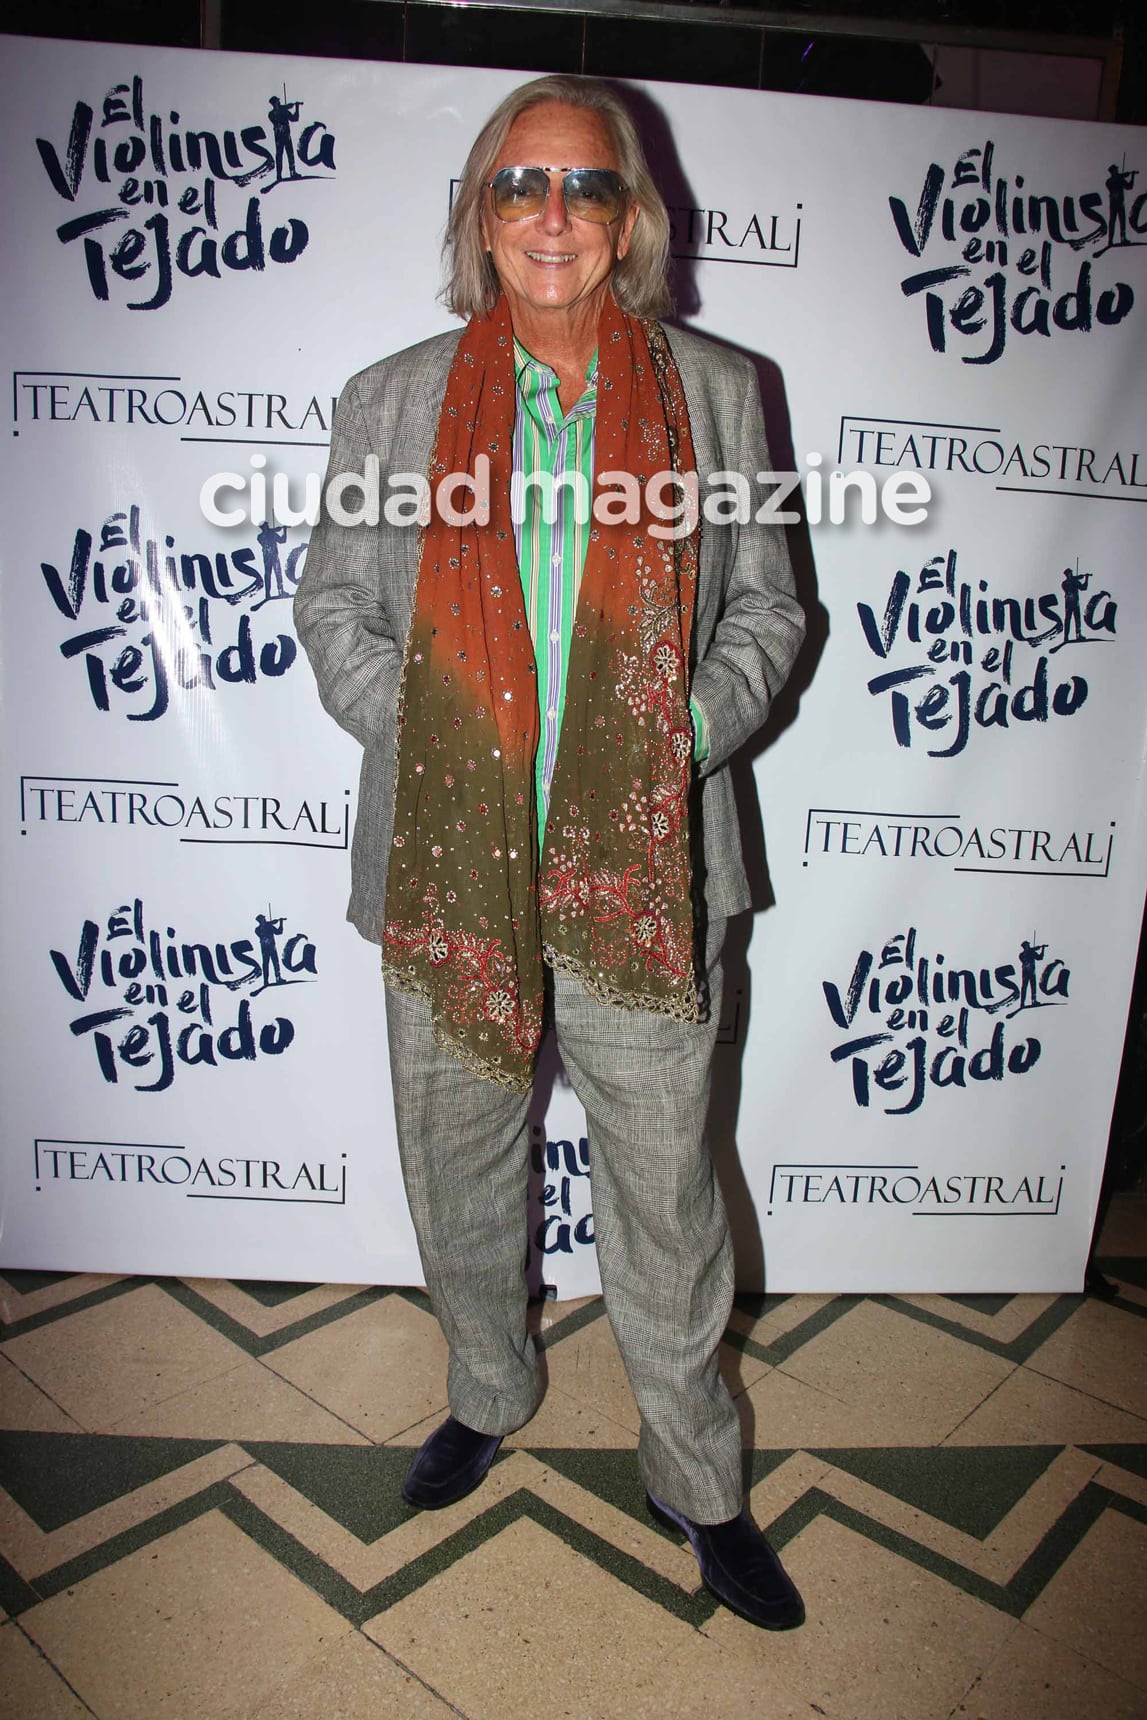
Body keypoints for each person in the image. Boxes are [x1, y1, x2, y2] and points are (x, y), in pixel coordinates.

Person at [294, 73, 807, 1630]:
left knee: (662, 1187)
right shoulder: (391, 401)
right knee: (458, 1163)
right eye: (521, 186)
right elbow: (335, 612)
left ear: (631, 218)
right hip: (447, 865)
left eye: (587, 188)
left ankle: (699, 1477)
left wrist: (672, 738)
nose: (554, 218)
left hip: (645, 865)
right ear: (479, 212)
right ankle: (488, 1385)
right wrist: (446, 736)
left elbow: (772, 612)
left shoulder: (718, 391)